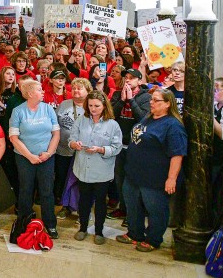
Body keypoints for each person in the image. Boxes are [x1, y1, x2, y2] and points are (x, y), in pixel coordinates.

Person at [116, 88, 187, 252]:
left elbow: (177, 154)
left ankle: (154, 239)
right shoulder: (149, 118)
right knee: (132, 206)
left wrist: (171, 178)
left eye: (156, 101)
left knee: (156, 210)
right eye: (152, 100)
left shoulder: (173, 125)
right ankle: (135, 233)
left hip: (154, 177)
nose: (151, 103)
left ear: (168, 104)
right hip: (134, 174)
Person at [9, 78, 61, 239]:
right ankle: (24, 222)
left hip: (46, 157)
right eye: (39, 90)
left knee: (47, 191)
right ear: (30, 93)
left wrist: (49, 153)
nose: (43, 92)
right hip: (25, 158)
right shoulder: (18, 111)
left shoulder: (48, 109)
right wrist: (30, 156)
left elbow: (56, 134)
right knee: (26, 190)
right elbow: (14, 138)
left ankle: (50, 224)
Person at [69, 91, 122, 245]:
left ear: (104, 105)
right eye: (90, 105)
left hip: (101, 171)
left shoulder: (112, 125)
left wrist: (100, 149)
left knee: (100, 202)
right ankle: (83, 228)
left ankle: (99, 231)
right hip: (83, 169)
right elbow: (72, 139)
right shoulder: (81, 120)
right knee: (84, 200)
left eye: (97, 106)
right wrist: (75, 144)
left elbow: (116, 147)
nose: (93, 109)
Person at [108, 68, 150, 223]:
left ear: (139, 81)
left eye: (132, 78)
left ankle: (134, 213)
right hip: (119, 144)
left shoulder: (146, 97)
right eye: (126, 77)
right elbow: (110, 115)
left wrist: (131, 100)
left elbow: (143, 119)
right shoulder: (118, 95)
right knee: (119, 180)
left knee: (133, 182)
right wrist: (122, 101)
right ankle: (123, 209)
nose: (128, 80)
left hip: (137, 146)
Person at [54, 77, 91, 219]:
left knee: (80, 181)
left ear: (88, 91)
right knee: (63, 179)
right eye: (74, 88)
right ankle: (65, 206)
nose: (75, 90)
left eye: (79, 88)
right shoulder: (64, 104)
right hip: (63, 150)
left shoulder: (91, 106)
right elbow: (55, 123)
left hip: (82, 152)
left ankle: (82, 209)